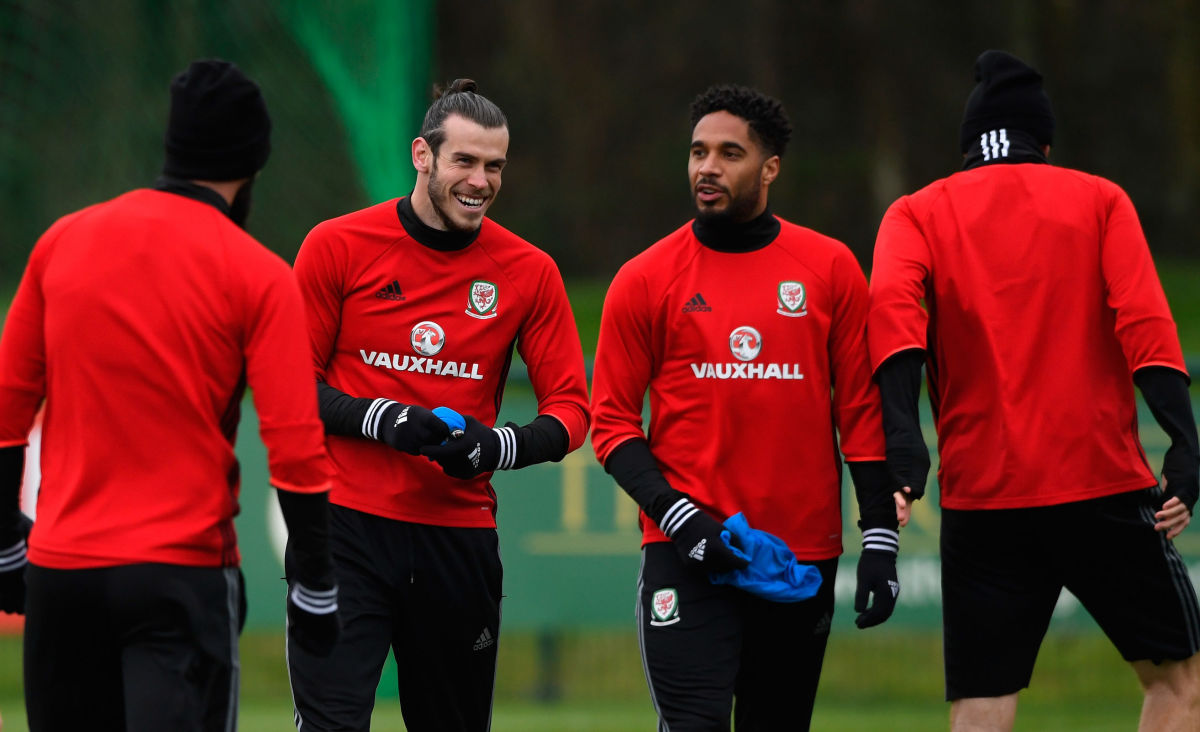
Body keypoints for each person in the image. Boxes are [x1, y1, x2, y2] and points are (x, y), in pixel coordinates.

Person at [0, 59, 340, 731]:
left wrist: (8, 546)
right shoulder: (259, 274)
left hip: (62, 574)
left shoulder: (62, 242)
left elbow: (8, 409)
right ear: (254, 161)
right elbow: (296, 447)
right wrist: (315, 582)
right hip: (180, 575)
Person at [868, 50, 1200, 732]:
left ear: (968, 147)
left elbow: (894, 324)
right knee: (1179, 682)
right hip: (1100, 485)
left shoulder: (915, 213)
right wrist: (1185, 446)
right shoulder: (1100, 199)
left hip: (982, 496)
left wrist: (904, 449)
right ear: (1042, 142)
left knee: (983, 700)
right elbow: (1147, 326)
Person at [589, 84, 903, 731]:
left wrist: (880, 539)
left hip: (799, 554)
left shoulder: (831, 268)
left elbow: (862, 417)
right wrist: (681, 518)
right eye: (698, 151)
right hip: (686, 547)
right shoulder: (644, 279)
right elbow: (612, 423)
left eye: (729, 153)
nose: (707, 167)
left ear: (769, 168)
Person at [287, 79, 591, 732]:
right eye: (464, 161)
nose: (480, 180)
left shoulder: (529, 271)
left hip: (457, 539)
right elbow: (291, 386)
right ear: (422, 155)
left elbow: (572, 410)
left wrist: (497, 445)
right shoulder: (336, 245)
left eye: (494, 166)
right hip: (346, 530)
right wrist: (383, 419)